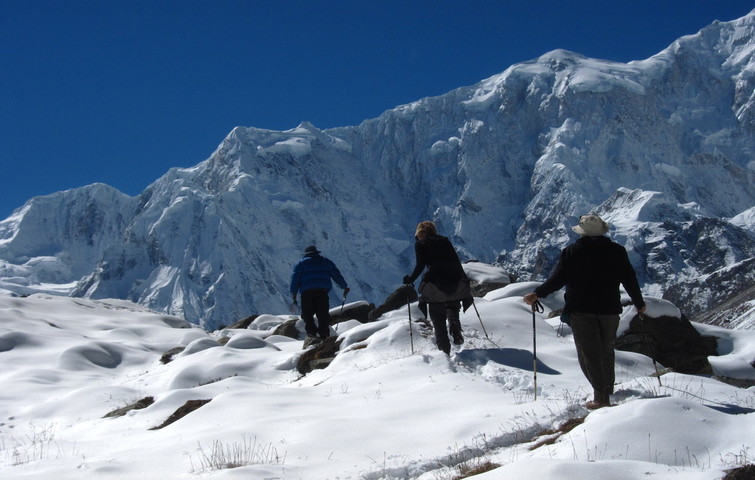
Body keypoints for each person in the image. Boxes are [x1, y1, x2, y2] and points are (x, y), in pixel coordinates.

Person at [523, 214, 646, 410]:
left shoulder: (573, 251)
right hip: (609, 309)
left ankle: (601, 397)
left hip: (581, 310)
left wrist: (537, 294)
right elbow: (629, 278)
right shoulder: (617, 251)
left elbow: (557, 279)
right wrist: (639, 303)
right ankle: (607, 388)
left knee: (589, 353)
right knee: (607, 349)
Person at [403, 221, 471, 354]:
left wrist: (410, 279)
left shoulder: (421, 244)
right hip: (454, 280)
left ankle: (444, 352)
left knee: (437, 317)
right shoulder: (445, 241)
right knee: (452, 304)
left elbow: (420, 265)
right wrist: (464, 280)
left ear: (420, 232)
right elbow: (456, 261)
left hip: (435, 282)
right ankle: (455, 328)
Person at [290, 245, 349, 339]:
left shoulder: (301, 264)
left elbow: (295, 280)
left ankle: (311, 332)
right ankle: (324, 334)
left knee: (307, 314)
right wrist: (344, 286)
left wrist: (294, 294)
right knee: (323, 314)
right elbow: (336, 274)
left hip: (307, 293)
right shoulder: (326, 262)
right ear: (317, 253)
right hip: (322, 292)